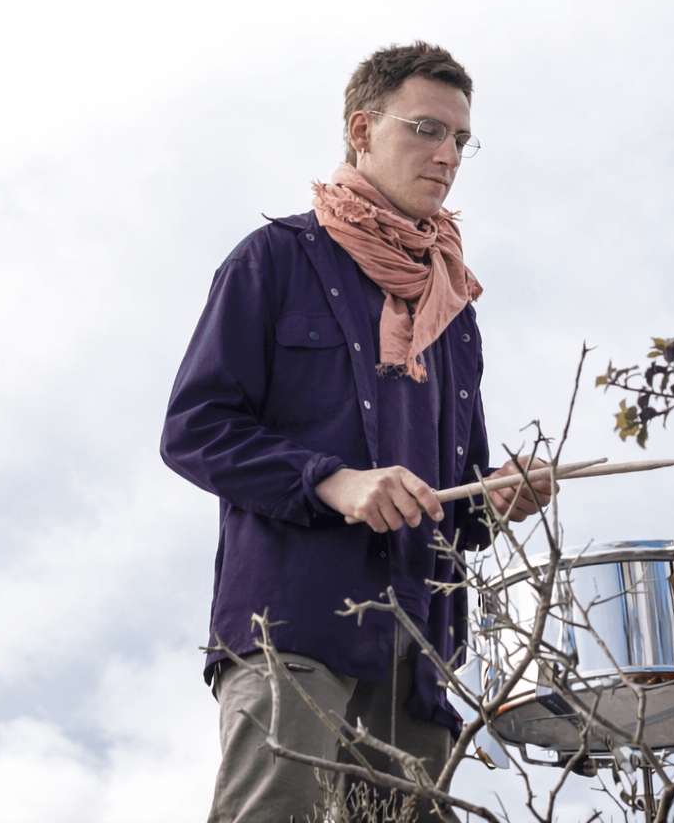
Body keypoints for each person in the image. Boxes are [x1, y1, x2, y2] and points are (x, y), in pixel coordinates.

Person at [161, 41, 551, 823]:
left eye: (461, 140)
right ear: (363, 128)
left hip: (418, 647)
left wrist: (495, 497)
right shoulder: (273, 260)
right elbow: (194, 429)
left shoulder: (455, 312)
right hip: (294, 620)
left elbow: (454, 495)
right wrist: (331, 481)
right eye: (427, 130)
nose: (448, 156)